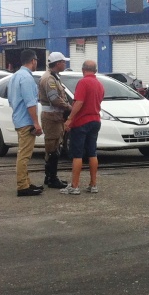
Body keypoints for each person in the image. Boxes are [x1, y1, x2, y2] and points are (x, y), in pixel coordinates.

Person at [62, 59, 105, 194]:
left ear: (83, 70)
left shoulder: (83, 82)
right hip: (95, 120)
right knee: (92, 153)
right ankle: (93, 184)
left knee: (77, 154)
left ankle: (74, 186)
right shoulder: (100, 84)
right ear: (95, 71)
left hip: (81, 122)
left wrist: (70, 119)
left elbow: (79, 102)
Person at [9, 50, 44, 197]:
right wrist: (36, 123)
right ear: (33, 61)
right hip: (26, 121)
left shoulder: (15, 76)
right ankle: (22, 186)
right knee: (24, 155)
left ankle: (26, 182)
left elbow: (11, 99)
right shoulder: (27, 78)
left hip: (18, 118)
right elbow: (30, 103)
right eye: (36, 60)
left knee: (24, 153)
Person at [38, 51, 72, 189]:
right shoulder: (49, 79)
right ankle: (52, 178)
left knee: (55, 146)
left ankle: (50, 177)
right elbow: (54, 99)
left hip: (56, 117)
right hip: (52, 118)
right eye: (64, 62)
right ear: (58, 63)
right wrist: (69, 107)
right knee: (52, 148)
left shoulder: (54, 77)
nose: (65, 64)